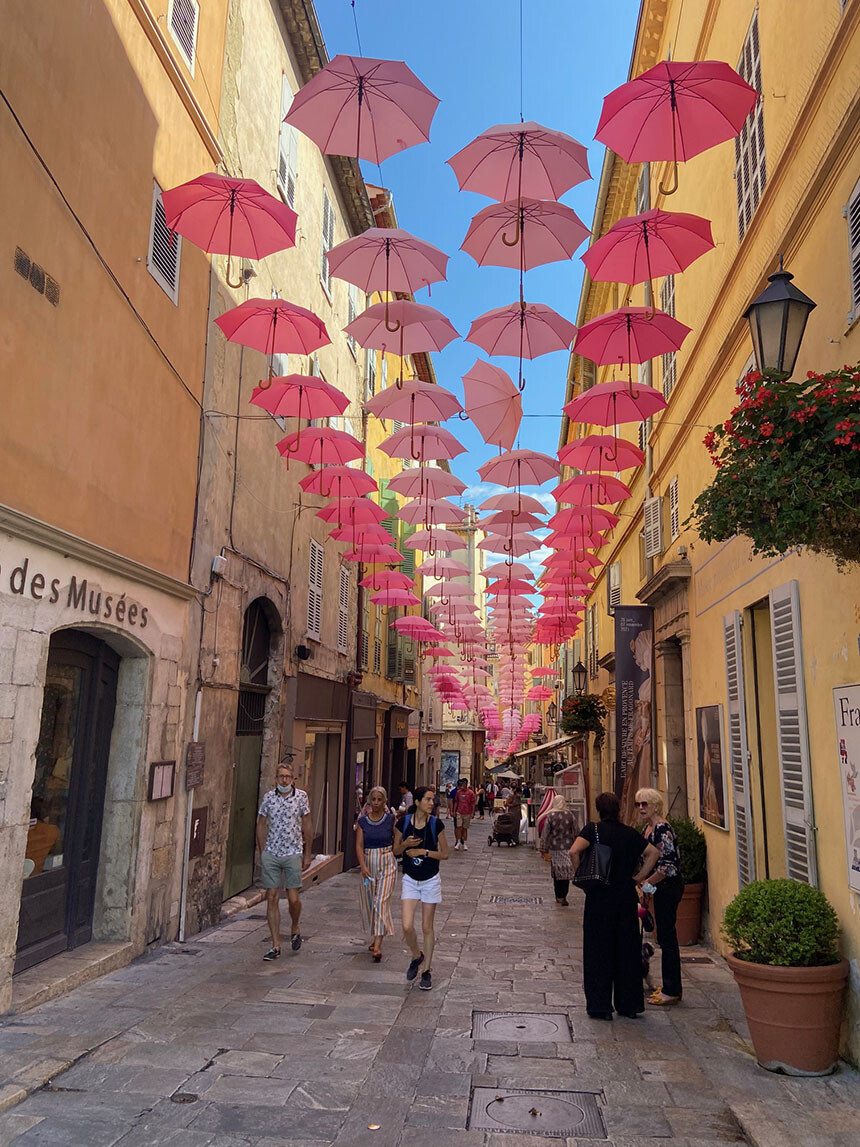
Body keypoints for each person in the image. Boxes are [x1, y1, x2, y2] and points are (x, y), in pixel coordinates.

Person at [569, 791, 660, 1020]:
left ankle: (600, 1006)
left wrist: (580, 872)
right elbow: (653, 853)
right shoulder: (629, 834)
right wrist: (638, 877)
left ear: (599, 810)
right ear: (619, 809)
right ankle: (628, 1004)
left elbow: (574, 850)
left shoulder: (593, 830)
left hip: (599, 897)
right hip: (624, 897)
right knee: (626, 951)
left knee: (597, 951)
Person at [394, 786, 449, 991]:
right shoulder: (403, 823)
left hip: (430, 880)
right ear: (416, 802)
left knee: (427, 926)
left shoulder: (437, 824)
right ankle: (417, 955)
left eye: (432, 800)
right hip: (410, 879)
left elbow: (444, 854)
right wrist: (406, 844)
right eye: (427, 799)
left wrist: (423, 851)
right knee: (407, 926)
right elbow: (395, 850)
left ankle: (426, 971)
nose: (431, 803)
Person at [256, 762, 312, 960]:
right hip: (272, 851)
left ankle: (295, 926)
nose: (284, 780)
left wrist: (307, 854)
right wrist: (262, 851)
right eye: (281, 777)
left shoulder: (301, 798)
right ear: (276, 779)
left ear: (292, 779)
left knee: (293, 898)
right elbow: (261, 823)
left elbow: (307, 824)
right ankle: (276, 945)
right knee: (271, 896)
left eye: (288, 777)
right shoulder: (269, 798)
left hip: (293, 851)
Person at [635, 788, 684, 1005]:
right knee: (662, 936)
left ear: (655, 805)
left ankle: (672, 990)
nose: (641, 808)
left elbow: (669, 866)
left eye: (645, 804)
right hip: (658, 888)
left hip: (668, 887)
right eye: (638, 804)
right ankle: (668, 986)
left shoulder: (662, 828)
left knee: (667, 938)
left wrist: (647, 884)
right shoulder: (648, 828)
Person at [355, 786, 397, 962]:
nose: (377, 803)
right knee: (371, 901)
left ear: (385, 801)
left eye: (380, 800)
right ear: (370, 801)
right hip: (368, 861)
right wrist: (362, 866)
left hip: (386, 861)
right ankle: (376, 937)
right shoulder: (363, 822)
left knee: (381, 901)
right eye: (374, 799)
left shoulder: (390, 820)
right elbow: (359, 845)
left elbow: (398, 839)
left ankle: (378, 945)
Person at [539, 794, 579, 905]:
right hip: (568, 846)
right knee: (566, 871)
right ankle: (563, 895)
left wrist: (543, 848)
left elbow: (545, 833)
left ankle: (559, 895)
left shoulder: (551, 816)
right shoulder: (570, 815)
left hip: (555, 848)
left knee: (557, 872)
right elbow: (576, 830)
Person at [451, 777, 476, 850]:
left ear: (466, 784)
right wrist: (454, 811)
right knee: (459, 827)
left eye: (463, 784)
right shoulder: (458, 792)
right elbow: (456, 802)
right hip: (459, 812)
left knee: (465, 828)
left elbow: (473, 803)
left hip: (467, 812)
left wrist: (472, 813)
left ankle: (464, 842)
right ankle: (458, 842)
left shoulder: (470, 793)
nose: (461, 785)